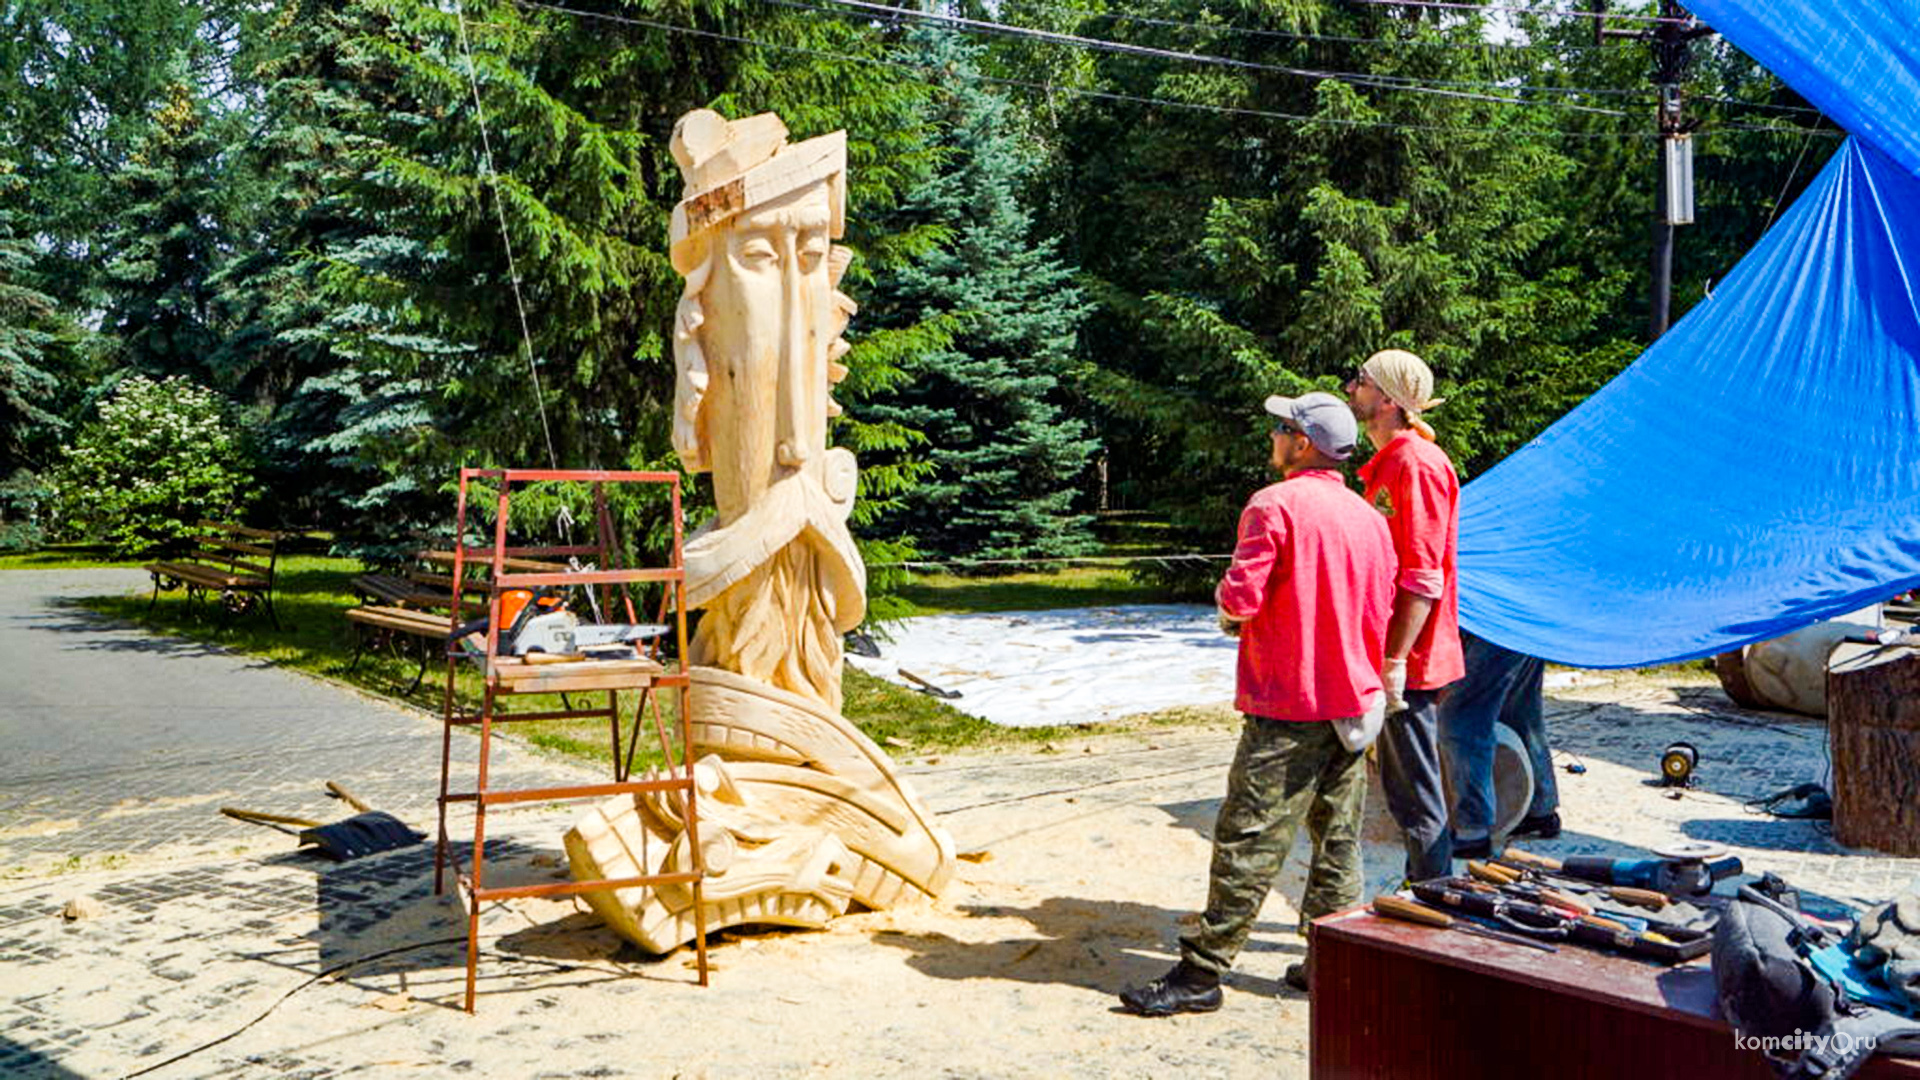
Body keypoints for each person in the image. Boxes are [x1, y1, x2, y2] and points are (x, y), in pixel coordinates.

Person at [1119, 391, 1396, 1015]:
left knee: (1248, 836)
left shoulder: (1274, 506)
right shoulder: (1369, 519)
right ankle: (1331, 964)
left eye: (1281, 427)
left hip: (1290, 700)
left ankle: (1201, 974)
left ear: (1303, 444)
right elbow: (1382, 607)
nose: (1272, 436)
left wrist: (1230, 610)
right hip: (1355, 702)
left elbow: (1241, 598)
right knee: (1338, 838)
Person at [1346, 349, 1465, 885]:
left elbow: (1422, 574)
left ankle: (1432, 898)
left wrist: (1396, 660)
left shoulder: (1414, 464)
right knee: (1403, 788)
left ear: (1389, 400)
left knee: (1414, 793)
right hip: (1395, 650)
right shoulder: (1393, 461)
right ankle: (1426, 890)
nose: (1351, 388)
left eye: (1362, 381)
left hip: (1410, 658)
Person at [1437, 632, 1561, 860]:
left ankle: (1472, 831)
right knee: (1520, 707)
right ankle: (1540, 810)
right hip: (1521, 614)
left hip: (1491, 623)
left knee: (1461, 717)